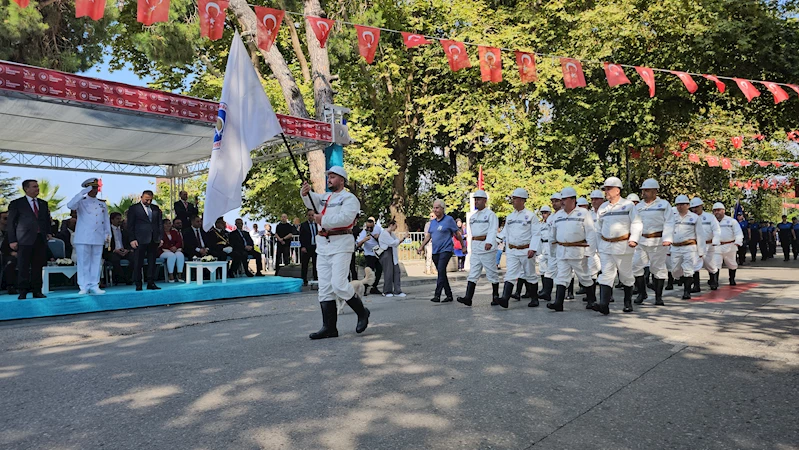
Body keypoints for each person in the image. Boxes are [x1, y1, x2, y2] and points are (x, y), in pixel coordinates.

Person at [301, 166, 370, 340]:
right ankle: (329, 327)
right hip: (323, 245)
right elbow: (311, 201)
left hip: (341, 244)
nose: (329, 179)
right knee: (324, 288)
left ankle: (362, 312)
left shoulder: (350, 199)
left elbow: (345, 219)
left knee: (339, 284)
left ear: (341, 180)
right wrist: (305, 192)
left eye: (332, 177)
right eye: (328, 177)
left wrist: (322, 219)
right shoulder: (324, 197)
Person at [595, 177, 642, 314]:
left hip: (623, 246)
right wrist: (599, 246)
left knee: (625, 275)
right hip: (606, 246)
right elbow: (598, 228)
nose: (606, 192)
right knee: (606, 275)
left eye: (608, 189)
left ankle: (628, 302)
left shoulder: (628, 205)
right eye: (605, 189)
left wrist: (634, 239)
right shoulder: (603, 207)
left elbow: (636, 223)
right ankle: (604, 305)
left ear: (617, 190)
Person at [547, 187, 598, 312]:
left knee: (584, 276)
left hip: (578, 251)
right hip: (562, 251)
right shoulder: (558, 215)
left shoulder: (584, 213)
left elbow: (591, 233)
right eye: (562, 199)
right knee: (561, 277)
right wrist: (553, 251)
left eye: (565, 199)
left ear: (573, 199)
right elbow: (552, 234)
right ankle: (558, 303)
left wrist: (589, 252)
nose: (562, 202)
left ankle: (592, 300)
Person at [7, 179, 52, 299]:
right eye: (34, 186)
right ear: (26, 189)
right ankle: (23, 291)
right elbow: (11, 223)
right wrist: (12, 240)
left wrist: (48, 232)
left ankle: (37, 290)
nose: (37, 189)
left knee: (38, 265)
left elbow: (46, 220)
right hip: (23, 239)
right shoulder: (17, 203)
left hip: (39, 239)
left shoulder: (43, 203)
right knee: (23, 266)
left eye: (37, 186)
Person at [495, 188, 539, 308]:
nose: (513, 201)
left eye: (515, 199)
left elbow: (536, 233)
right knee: (510, 274)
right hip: (513, 250)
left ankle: (534, 299)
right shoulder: (510, 217)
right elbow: (505, 232)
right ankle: (505, 298)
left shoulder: (531, 216)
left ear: (522, 200)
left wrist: (533, 248)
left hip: (526, 250)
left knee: (530, 274)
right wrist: (495, 241)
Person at [632, 179, 674, 306]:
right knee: (636, 266)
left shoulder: (664, 205)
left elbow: (669, 222)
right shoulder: (638, 207)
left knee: (658, 269)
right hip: (642, 241)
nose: (644, 193)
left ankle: (658, 297)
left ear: (655, 191)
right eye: (643, 190)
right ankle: (641, 292)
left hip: (658, 241)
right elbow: (635, 223)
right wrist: (633, 239)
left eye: (647, 190)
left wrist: (667, 238)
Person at [67, 178, 111, 295]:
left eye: (96, 188)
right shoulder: (81, 201)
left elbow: (106, 220)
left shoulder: (102, 203)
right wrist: (82, 193)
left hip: (98, 236)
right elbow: (70, 205)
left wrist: (108, 234)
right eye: (92, 188)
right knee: (83, 262)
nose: (95, 190)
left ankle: (94, 285)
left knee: (97, 262)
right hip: (84, 236)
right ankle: (83, 285)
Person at [417, 199, 466, 303]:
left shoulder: (449, 220)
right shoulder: (433, 222)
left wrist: (463, 246)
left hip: (446, 249)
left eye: (437, 208)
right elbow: (428, 235)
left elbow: (457, 234)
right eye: (434, 208)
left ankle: (437, 295)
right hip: (435, 251)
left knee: (441, 270)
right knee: (442, 273)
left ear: (443, 209)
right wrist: (421, 246)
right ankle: (449, 295)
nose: (435, 210)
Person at [456, 190, 499, 306]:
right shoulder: (473, 217)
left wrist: (489, 241)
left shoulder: (490, 215)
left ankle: (495, 296)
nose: (476, 202)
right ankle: (468, 298)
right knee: (473, 273)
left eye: (479, 199)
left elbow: (492, 229)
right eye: (475, 199)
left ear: (485, 201)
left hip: (486, 246)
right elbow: (471, 234)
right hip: (476, 247)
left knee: (491, 273)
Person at [670, 195, 707, 300]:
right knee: (675, 270)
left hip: (689, 247)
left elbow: (700, 234)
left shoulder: (694, 218)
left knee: (688, 269)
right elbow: (668, 232)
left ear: (688, 205)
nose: (680, 207)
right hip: (675, 247)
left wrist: (701, 251)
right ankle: (681, 277)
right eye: (678, 205)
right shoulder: (672, 217)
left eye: (682, 204)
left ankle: (687, 292)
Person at [126, 190, 163, 291]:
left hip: (153, 238)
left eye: (150, 200)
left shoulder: (155, 208)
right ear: (141, 197)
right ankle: (138, 283)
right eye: (146, 200)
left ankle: (150, 282)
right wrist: (132, 239)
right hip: (139, 239)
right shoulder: (134, 208)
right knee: (138, 262)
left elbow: (159, 224)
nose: (148, 202)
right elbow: (130, 225)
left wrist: (160, 238)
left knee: (152, 262)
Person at [690, 198, 721, 291]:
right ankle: (696, 286)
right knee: (695, 264)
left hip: (708, 244)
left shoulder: (710, 217)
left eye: (697, 207)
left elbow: (716, 229)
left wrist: (716, 240)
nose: (695, 209)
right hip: (695, 245)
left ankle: (713, 281)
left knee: (710, 264)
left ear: (701, 206)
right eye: (693, 208)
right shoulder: (690, 218)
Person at [712, 203, 743, 286]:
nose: (716, 212)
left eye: (718, 210)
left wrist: (738, 242)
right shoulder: (711, 221)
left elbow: (738, 232)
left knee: (732, 264)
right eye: (715, 211)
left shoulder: (731, 221)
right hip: (717, 246)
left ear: (723, 211)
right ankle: (715, 282)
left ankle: (732, 279)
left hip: (730, 246)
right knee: (715, 264)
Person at [539, 192, 563, 302]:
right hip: (552, 247)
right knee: (550, 270)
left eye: (556, 201)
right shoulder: (551, 218)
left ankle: (590, 297)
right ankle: (547, 293)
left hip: (564, 246)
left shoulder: (565, 214)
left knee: (581, 273)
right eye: (552, 201)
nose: (554, 203)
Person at [105, 212, 134, 285]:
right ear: (112, 220)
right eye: (117, 219)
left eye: (120, 219)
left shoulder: (124, 230)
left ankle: (129, 277)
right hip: (113, 251)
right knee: (115, 259)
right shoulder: (107, 231)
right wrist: (114, 250)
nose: (120, 220)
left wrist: (127, 250)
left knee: (134, 257)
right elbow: (105, 245)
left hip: (124, 250)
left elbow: (129, 242)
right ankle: (121, 278)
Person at [378, 219, 405, 297]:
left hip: (392, 253)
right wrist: (401, 239)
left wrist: (399, 240)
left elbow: (395, 242)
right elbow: (393, 242)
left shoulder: (391, 234)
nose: (395, 228)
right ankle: (387, 291)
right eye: (395, 226)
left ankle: (397, 290)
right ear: (391, 225)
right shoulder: (384, 233)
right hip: (386, 253)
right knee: (388, 272)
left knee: (396, 271)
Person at [356, 218, 383, 294]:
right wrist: (364, 240)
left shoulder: (378, 229)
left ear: (374, 225)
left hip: (377, 253)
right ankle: (364, 287)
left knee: (379, 270)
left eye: (371, 227)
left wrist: (379, 236)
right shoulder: (363, 232)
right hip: (368, 254)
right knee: (369, 271)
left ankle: (374, 287)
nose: (369, 229)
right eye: (367, 227)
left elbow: (385, 235)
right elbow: (358, 244)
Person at [298, 210, 319, 286]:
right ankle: (304, 280)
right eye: (309, 215)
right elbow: (301, 237)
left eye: (312, 215)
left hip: (315, 247)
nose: (310, 217)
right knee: (305, 264)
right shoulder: (304, 225)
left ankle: (316, 278)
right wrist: (303, 246)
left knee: (316, 263)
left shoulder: (317, 225)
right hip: (307, 247)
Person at [1, 210, 19, 295]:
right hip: (8, 255)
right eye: (5, 218)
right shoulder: (9, 233)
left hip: (24, 254)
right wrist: (11, 253)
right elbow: (4, 248)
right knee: (11, 262)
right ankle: (10, 286)